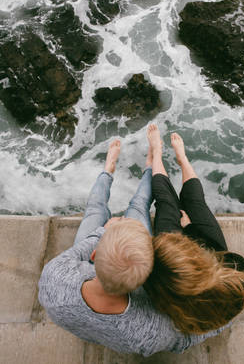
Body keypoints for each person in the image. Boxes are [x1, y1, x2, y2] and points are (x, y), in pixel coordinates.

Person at [38, 133, 229, 357]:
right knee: (138, 207)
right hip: (116, 272)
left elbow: (74, 254)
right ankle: (149, 166)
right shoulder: (150, 330)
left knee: (95, 209)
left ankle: (109, 169)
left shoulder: (54, 277)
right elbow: (185, 339)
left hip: (89, 272)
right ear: (148, 277)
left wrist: (103, 231)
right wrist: (224, 320)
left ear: (94, 255)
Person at [144, 124, 244, 334]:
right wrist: (191, 228)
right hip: (213, 250)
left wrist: (182, 232)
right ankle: (182, 159)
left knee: (167, 203)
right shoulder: (236, 275)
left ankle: (157, 153)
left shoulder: (171, 290)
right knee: (195, 201)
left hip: (180, 270)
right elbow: (213, 251)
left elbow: (155, 284)